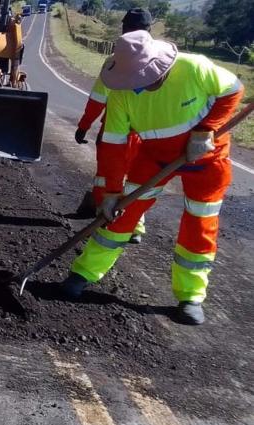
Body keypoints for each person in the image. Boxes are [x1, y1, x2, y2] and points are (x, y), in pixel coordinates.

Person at [60, 31, 244, 325]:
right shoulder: (121, 93)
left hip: (205, 160)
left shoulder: (194, 67)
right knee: (121, 212)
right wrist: (110, 192)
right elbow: (113, 146)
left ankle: (190, 296)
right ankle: (82, 274)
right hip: (154, 158)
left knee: (200, 223)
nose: (137, 87)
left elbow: (233, 90)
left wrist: (206, 129)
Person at [73, 8, 153, 243]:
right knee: (139, 178)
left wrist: (84, 125)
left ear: (123, 29)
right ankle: (135, 227)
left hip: (114, 132)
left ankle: (104, 217)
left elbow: (98, 98)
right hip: (148, 132)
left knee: (106, 176)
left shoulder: (114, 61)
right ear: (149, 30)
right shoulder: (164, 60)